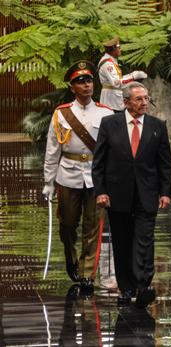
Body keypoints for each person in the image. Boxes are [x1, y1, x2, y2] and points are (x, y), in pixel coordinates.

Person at [92, 81, 171, 308]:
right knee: (122, 241)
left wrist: (165, 192)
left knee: (145, 240)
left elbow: (164, 163)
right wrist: (101, 191)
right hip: (118, 193)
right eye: (139, 99)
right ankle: (126, 287)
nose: (144, 103)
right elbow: (98, 162)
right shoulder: (110, 124)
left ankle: (143, 285)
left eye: (146, 98)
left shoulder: (158, 126)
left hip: (147, 193)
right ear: (126, 102)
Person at [42, 61, 113, 294]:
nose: (86, 85)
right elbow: (53, 149)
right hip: (68, 175)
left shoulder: (106, 113)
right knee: (68, 224)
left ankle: (87, 273)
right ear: (72, 87)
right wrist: (48, 182)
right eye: (80, 82)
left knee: (93, 227)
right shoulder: (61, 113)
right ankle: (71, 258)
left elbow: (112, 150)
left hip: (95, 176)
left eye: (89, 80)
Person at [98, 36, 148, 111]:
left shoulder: (111, 61)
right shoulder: (108, 64)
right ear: (114, 49)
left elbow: (118, 79)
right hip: (111, 101)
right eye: (119, 47)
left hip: (114, 98)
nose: (120, 49)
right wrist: (133, 76)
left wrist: (131, 76)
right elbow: (117, 82)